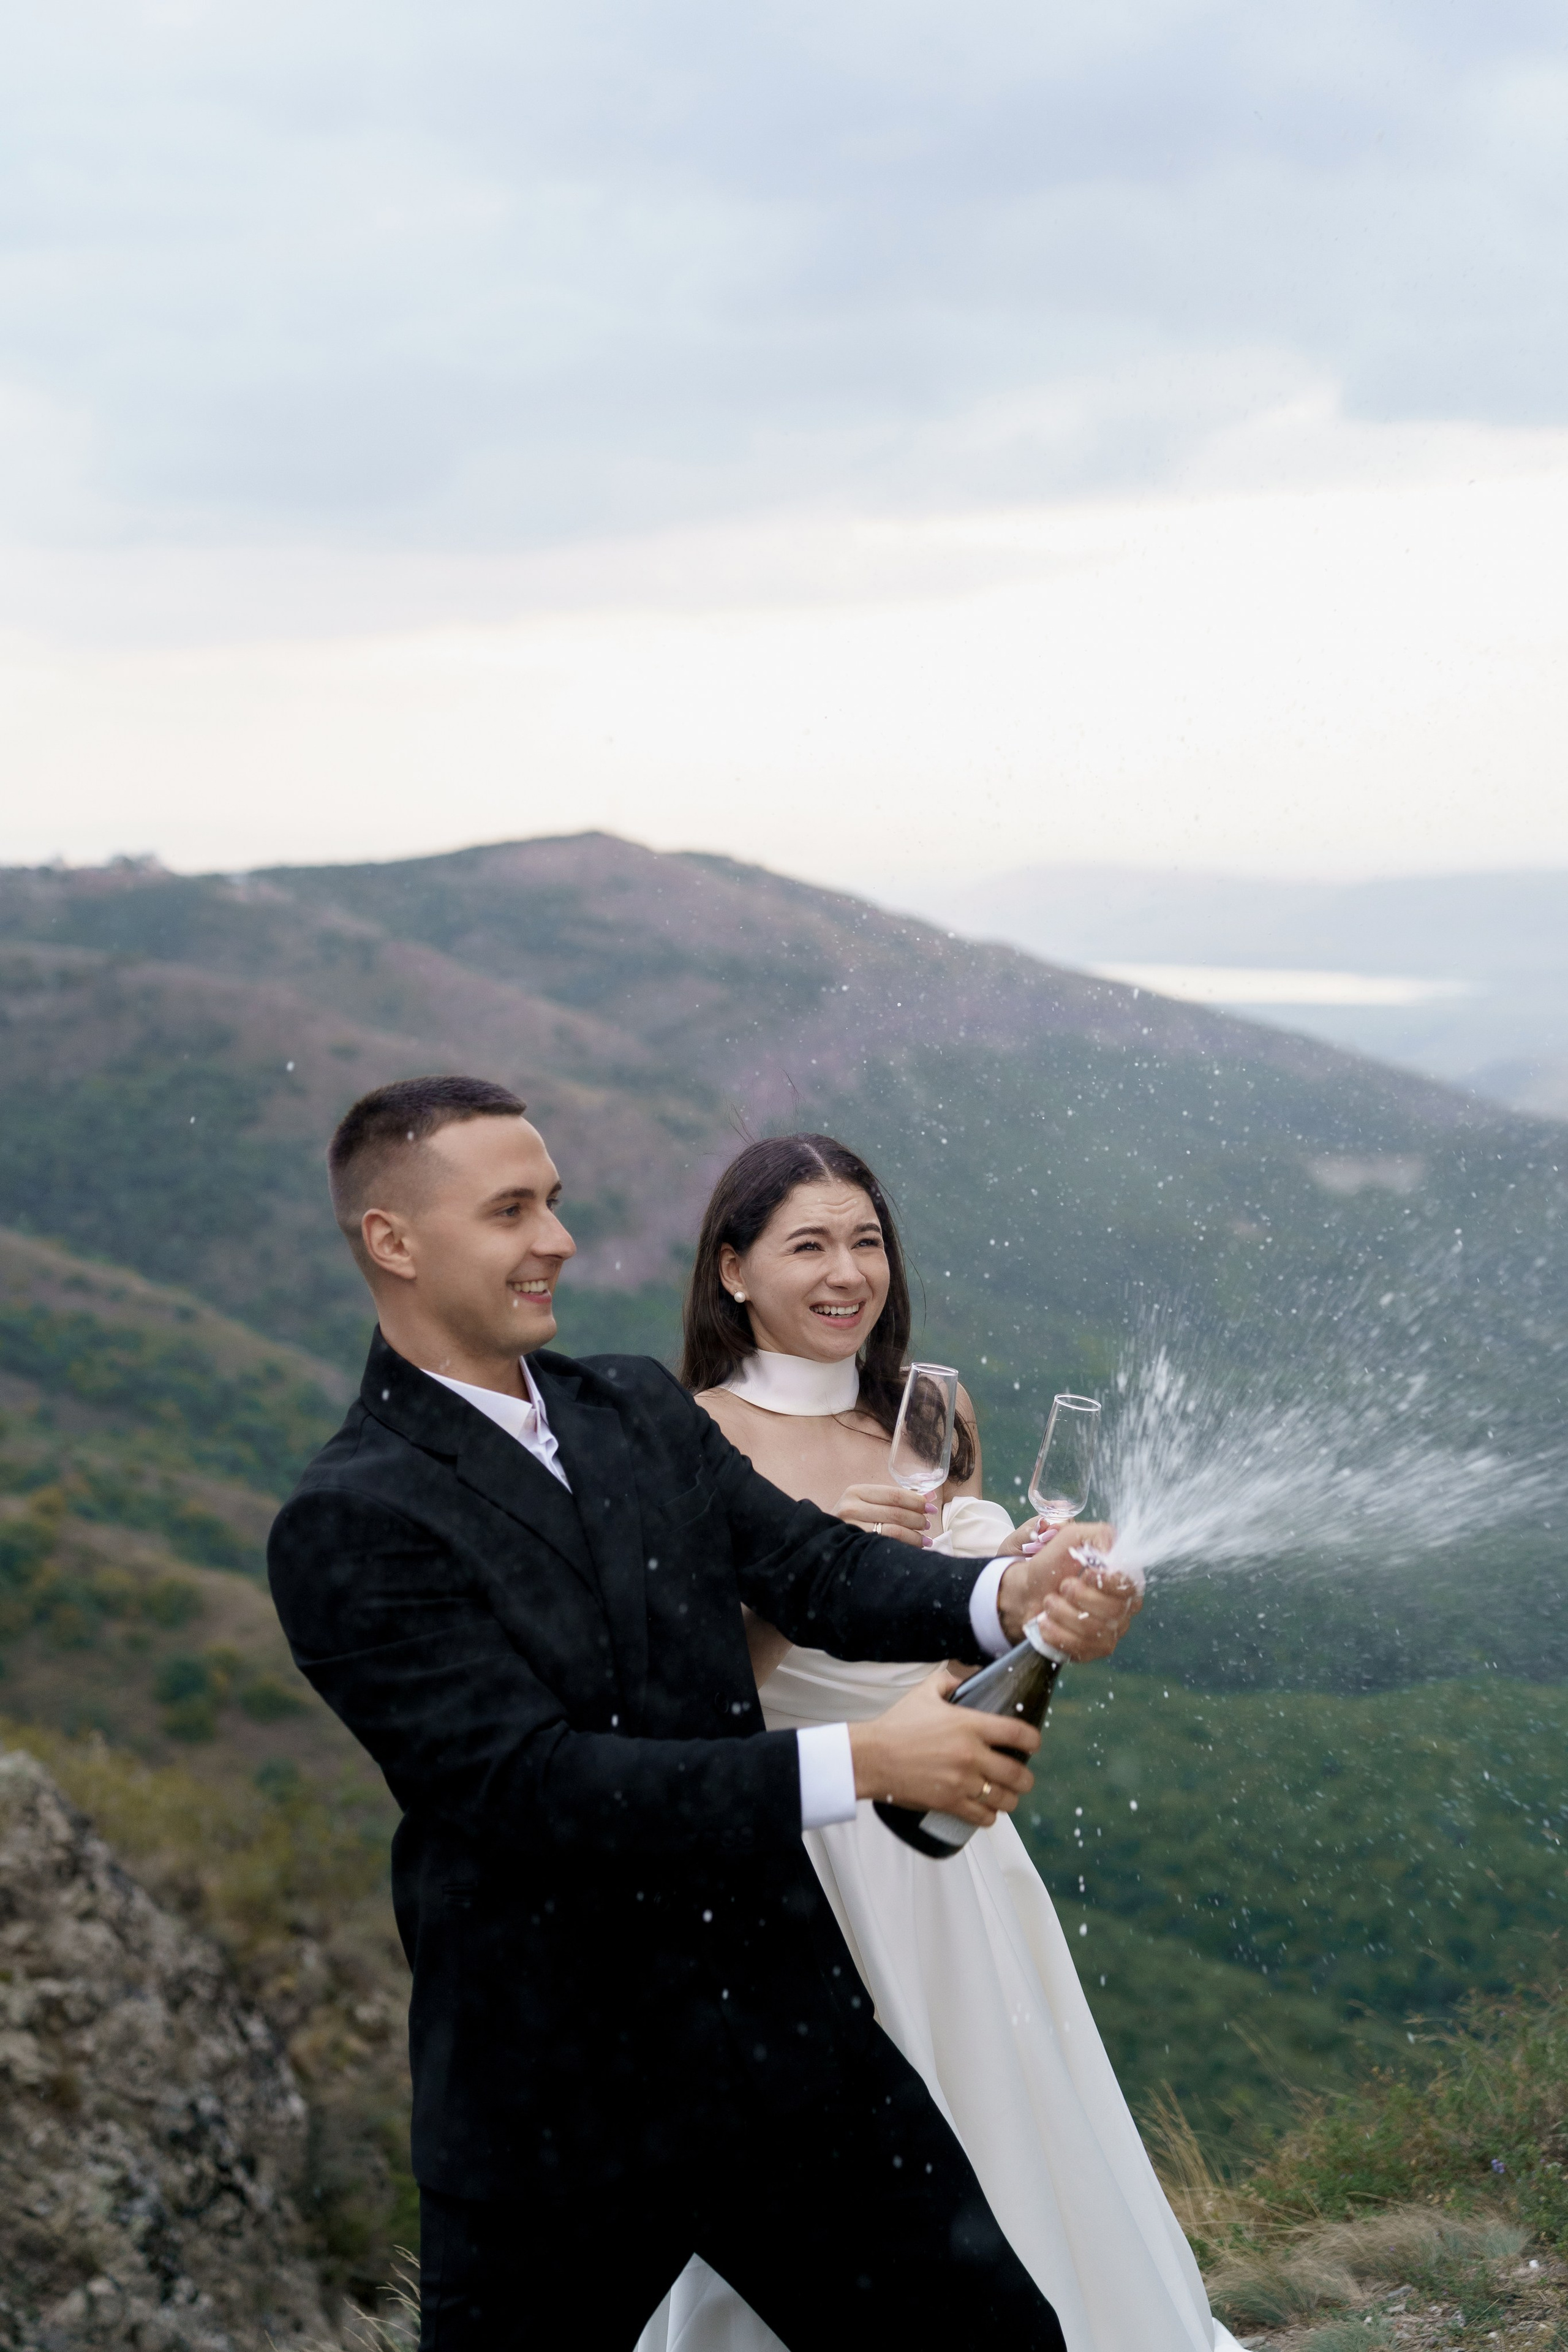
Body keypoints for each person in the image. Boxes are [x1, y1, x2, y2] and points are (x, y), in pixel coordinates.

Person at [266, 1077, 1142, 2352]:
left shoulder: (632, 1406)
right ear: (392, 1243)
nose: (556, 1239)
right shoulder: (350, 1519)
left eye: (552, 1204)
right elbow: (530, 1787)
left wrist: (1014, 1593)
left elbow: (818, 1571)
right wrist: (868, 1760)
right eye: (509, 1210)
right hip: (551, 2101)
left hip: (784, 2039)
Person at [637, 1133, 1242, 2352]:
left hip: (949, 1850)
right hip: (801, 1848)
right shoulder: (686, 1436)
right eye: (806, 1243)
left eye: (864, 1240)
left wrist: (1061, 1624)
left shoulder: (926, 1412)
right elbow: (687, 1700)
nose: (845, 1272)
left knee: (999, 2121)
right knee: (826, 2179)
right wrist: (800, 1573)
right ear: (730, 1269)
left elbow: (968, 1665)